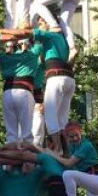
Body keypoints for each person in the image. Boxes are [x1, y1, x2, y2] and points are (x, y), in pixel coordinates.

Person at [32, 23, 75, 151]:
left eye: (41, 23)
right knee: (62, 120)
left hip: (56, 77)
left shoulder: (50, 35)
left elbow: (29, 32)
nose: (39, 26)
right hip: (69, 79)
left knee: (50, 118)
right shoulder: (64, 39)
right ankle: (66, 151)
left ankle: (57, 149)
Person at [0, 40, 40, 148]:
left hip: (7, 93)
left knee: (11, 135)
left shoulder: (4, 57)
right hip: (24, 92)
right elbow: (39, 44)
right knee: (27, 135)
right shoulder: (31, 55)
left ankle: (9, 164)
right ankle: (27, 164)